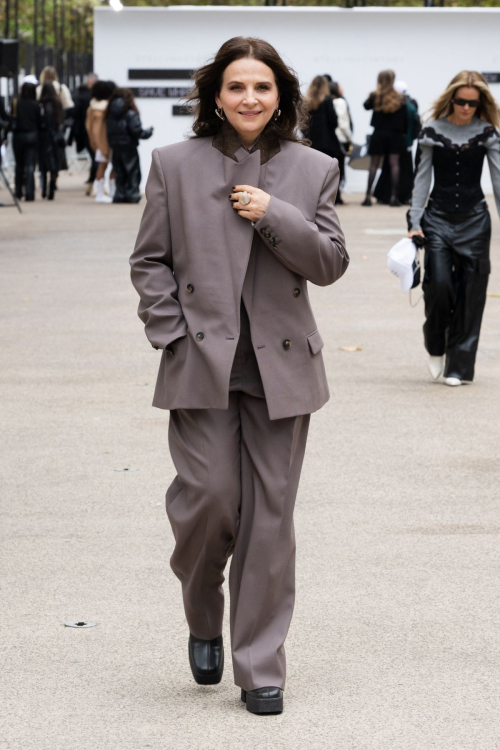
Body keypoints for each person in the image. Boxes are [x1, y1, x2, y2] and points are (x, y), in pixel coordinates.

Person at [129, 36, 349, 715]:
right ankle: (203, 612)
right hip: (202, 367)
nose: (250, 98)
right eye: (236, 87)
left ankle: (260, 667)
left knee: (270, 522)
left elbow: (331, 262)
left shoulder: (314, 168)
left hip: (283, 373)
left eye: (262, 86)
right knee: (210, 502)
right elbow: (150, 262)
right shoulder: (173, 164)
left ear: (280, 94)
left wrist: (273, 212)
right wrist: (172, 337)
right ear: (215, 97)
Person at [408, 71, 500, 387]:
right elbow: (421, 179)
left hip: (475, 220)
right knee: (439, 285)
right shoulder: (432, 130)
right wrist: (414, 221)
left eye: (472, 103)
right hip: (437, 219)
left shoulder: (487, 132)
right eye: (460, 101)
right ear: (451, 99)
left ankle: (459, 366)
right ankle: (435, 343)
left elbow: (499, 181)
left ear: (481, 103)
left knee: (472, 294)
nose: (465, 108)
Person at [362, 70, 408, 207]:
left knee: (374, 165)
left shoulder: (375, 95)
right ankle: (394, 197)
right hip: (395, 134)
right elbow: (405, 119)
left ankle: (367, 197)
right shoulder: (399, 97)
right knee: (395, 164)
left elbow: (365, 106)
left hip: (379, 133)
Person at [374, 80, 421, 205]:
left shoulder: (398, 104)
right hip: (404, 142)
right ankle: (401, 196)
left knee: (390, 167)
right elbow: (415, 124)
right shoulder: (410, 104)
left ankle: (387, 195)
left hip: (398, 142)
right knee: (402, 169)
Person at [105, 87, 153, 203]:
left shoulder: (109, 113)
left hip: (115, 147)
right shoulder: (130, 113)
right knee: (133, 172)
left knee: (119, 172)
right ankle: (132, 195)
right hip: (129, 147)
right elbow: (137, 131)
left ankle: (120, 195)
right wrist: (149, 132)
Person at [304, 77, 342, 202]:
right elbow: (334, 122)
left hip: (310, 142)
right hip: (327, 142)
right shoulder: (327, 100)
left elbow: (302, 123)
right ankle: (330, 198)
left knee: (312, 173)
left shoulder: (306, 102)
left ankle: (313, 198)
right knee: (328, 173)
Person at [85, 80, 116, 204]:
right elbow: (99, 130)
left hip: (99, 144)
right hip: (106, 142)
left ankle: (101, 192)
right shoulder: (104, 109)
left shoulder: (92, 107)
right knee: (108, 167)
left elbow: (89, 127)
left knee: (102, 166)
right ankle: (107, 193)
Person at [11, 82, 41, 201]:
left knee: (19, 164)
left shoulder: (15, 103)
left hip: (18, 136)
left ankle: (18, 191)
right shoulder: (36, 105)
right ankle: (30, 192)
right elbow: (40, 122)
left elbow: (12, 119)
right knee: (30, 165)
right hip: (32, 136)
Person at [70, 72, 99, 195]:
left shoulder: (86, 98)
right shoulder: (93, 99)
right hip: (91, 133)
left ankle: (93, 181)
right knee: (96, 158)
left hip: (86, 133)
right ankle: (93, 182)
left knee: (96, 159)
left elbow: (75, 115)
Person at [38, 82, 64, 200]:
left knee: (44, 163)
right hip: (55, 136)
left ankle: (44, 188)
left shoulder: (41, 105)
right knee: (54, 162)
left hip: (44, 137)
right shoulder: (57, 104)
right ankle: (52, 186)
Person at [329, 80, 353, 205]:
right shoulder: (341, 102)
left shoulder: (327, 101)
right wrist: (350, 137)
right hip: (341, 139)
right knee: (339, 169)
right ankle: (337, 197)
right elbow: (343, 123)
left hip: (330, 139)